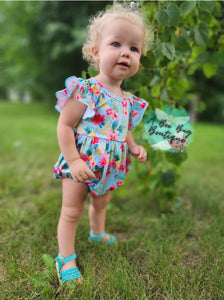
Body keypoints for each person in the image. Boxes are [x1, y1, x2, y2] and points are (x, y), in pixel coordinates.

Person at [54, 3, 151, 284]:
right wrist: (73, 161)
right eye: (117, 43)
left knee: (101, 202)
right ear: (96, 52)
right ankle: (65, 258)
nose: (126, 52)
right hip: (81, 162)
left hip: (109, 166)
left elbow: (123, 129)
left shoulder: (128, 100)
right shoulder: (86, 90)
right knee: (72, 211)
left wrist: (133, 146)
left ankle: (96, 233)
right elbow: (65, 125)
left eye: (134, 48)